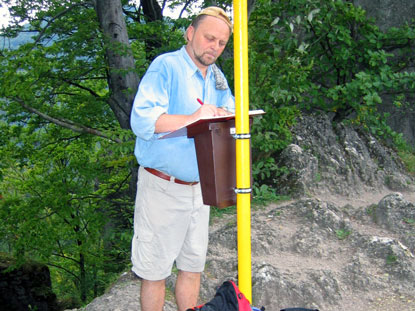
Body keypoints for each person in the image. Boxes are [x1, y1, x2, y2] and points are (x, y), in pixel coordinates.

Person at [130, 6, 235, 311]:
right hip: (162, 188)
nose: (214, 47)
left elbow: (228, 110)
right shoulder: (166, 67)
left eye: (221, 43)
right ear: (191, 34)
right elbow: (143, 121)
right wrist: (193, 117)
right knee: (155, 273)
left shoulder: (216, 77)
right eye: (209, 38)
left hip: (200, 189)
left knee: (192, 267)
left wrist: (231, 114)